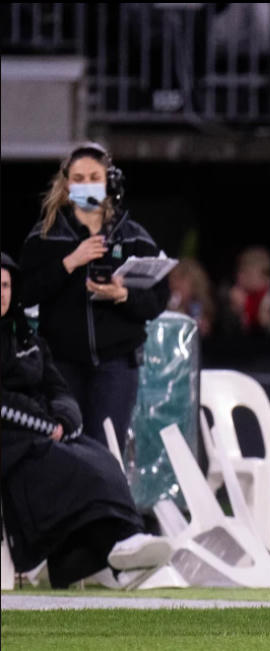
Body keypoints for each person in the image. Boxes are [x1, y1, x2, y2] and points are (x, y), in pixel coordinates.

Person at [1, 252, 172, 589]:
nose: (1, 293)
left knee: (100, 457)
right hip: (11, 441)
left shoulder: (26, 339)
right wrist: (47, 426)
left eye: (5, 285)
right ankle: (117, 548)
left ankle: (121, 549)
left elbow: (58, 389)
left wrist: (65, 419)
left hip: (44, 433)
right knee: (67, 465)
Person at [19, 143, 169, 455]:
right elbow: (24, 293)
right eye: (78, 178)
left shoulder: (133, 236)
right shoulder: (45, 236)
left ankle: (105, 506)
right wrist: (68, 263)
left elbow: (157, 299)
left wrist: (123, 295)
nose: (86, 185)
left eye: (94, 177)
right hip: (61, 364)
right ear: (67, 184)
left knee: (106, 453)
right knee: (66, 452)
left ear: (109, 182)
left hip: (116, 363)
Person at [218, 246, 270, 339]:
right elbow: (226, 333)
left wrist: (269, 323)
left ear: (265, 278)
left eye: (248, 273)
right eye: (239, 271)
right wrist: (235, 312)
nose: (240, 277)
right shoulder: (229, 292)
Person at [168, 258, 216, 338]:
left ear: (195, 284)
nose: (175, 284)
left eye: (181, 279)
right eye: (173, 278)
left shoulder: (201, 308)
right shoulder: (166, 306)